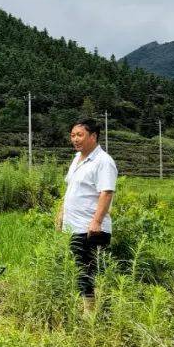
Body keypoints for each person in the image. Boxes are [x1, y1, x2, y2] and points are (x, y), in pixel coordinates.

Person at [55, 117, 117, 300]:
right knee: (77, 271)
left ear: (93, 136)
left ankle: (91, 316)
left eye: (79, 135)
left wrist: (96, 222)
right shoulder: (77, 159)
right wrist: (61, 215)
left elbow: (106, 193)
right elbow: (70, 189)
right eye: (72, 135)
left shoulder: (103, 161)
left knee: (88, 273)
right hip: (73, 227)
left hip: (90, 229)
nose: (75, 139)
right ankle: (83, 311)